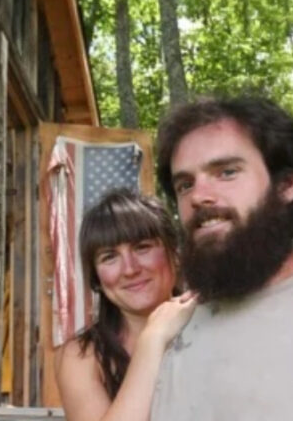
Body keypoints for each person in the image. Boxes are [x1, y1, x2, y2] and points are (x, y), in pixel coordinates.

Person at [152, 96, 293, 420]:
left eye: (227, 172)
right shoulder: (175, 323)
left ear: (285, 185)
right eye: (185, 184)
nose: (199, 196)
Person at [56, 189, 197, 421]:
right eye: (109, 257)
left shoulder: (215, 326)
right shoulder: (81, 356)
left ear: (175, 254)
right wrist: (153, 339)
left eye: (142, 247)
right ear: (96, 279)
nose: (130, 269)